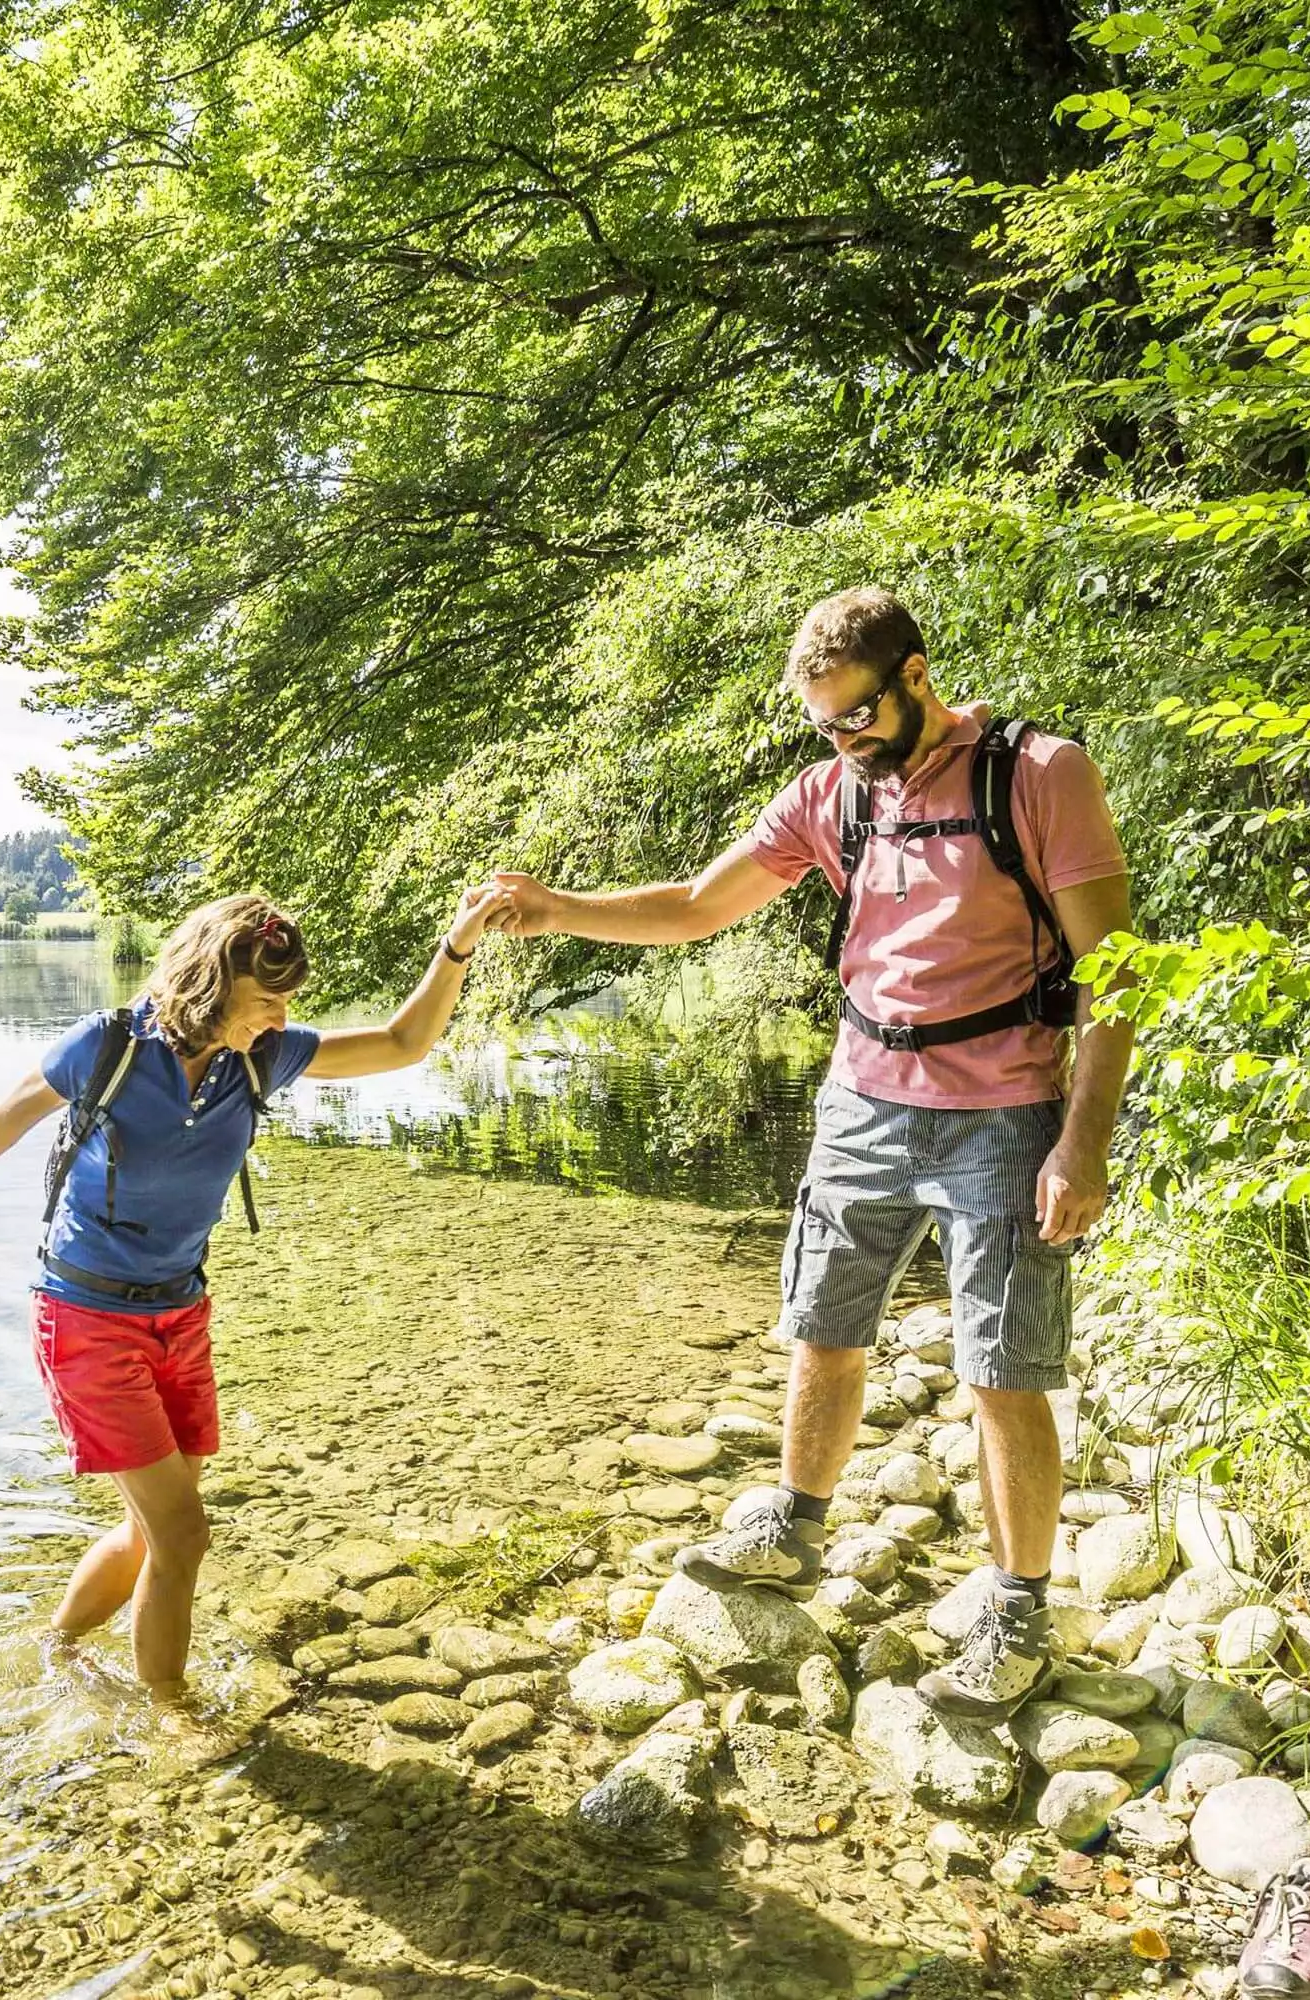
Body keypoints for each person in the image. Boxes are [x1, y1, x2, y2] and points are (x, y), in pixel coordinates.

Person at [484, 584, 1135, 1719]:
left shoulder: (1039, 775)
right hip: (860, 1104)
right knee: (823, 1329)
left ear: (917, 676)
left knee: (1002, 1369)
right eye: (823, 724)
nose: (842, 742)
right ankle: (792, 1527)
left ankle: (1019, 1615)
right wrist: (556, 908)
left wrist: (1082, 1141)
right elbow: (697, 906)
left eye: (858, 716)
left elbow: (1115, 974)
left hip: (1004, 1112)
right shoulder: (833, 793)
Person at [0, 888, 501, 1703]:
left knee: (152, 1529)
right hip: (86, 1319)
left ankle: (56, 1651)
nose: (280, 1018)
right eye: (265, 1001)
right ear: (212, 987)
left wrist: (457, 943)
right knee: (184, 1533)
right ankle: (168, 1713)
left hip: (180, 1316)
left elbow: (405, 1042)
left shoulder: (258, 1058)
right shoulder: (107, 1049)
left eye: (285, 1003)